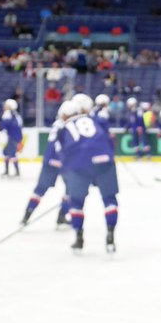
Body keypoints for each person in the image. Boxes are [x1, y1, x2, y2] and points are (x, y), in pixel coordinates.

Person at [55, 94, 119, 252]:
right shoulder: (94, 119)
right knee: (109, 199)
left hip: (80, 163)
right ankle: (110, 235)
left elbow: (63, 155)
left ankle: (79, 238)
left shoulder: (64, 127)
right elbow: (109, 141)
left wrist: (72, 177)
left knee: (76, 202)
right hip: (105, 159)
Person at [21, 101, 73, 227]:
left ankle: (27, 215)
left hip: (50, 161)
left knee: (40, 190)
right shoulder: (69, 126)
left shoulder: (57, 124)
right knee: (71, 190)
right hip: (63, 161)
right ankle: (62, 215)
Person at [0, 98, 23, 178]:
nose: (4, 106)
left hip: (13, 137)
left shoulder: (8, 113)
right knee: (6, 152)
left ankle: (17, 172)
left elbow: (4, 124)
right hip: (14, 136)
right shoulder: (15, 114)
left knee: (11, 153)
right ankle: (7, 171)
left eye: (6, 105)